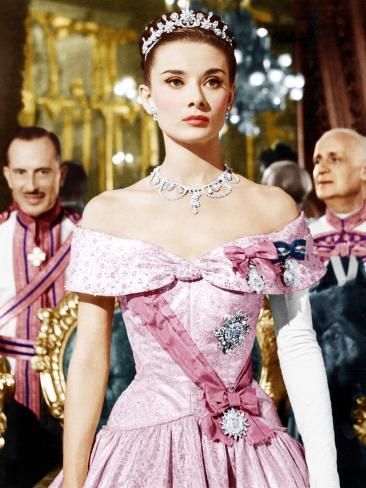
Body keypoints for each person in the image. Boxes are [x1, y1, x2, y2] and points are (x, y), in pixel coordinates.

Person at [52, 7, 339, 488]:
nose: (195, 98)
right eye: (175, 81)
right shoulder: (108, 214)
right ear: (147, 96)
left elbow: (297, 344)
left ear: (231, 93)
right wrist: (76, 478)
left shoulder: (272, 208)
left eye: (211, 80)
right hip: (139, 449)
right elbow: (89, 360)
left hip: (250, 452)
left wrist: (326, 476)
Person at [0, 126, 80, 486]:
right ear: (7, 175)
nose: (31, 185)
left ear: (60, 175)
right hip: (6, 405)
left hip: (75, 400)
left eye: (42, 172)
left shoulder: (87, 238)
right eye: (21, 172)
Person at [309, 128, 366, 487]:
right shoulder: (300, 241)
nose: (321, 168)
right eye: (316, 160)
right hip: (321, 393)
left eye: (335, 158)